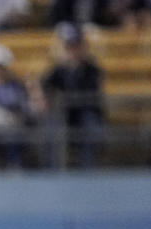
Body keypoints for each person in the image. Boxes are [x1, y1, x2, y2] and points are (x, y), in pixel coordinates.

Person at [37, 23, 105, 168]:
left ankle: (87, 169)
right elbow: (45, 84)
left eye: (76, 46)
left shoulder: (91, 69)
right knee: (50, 130)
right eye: (70, 47)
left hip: (86, 112)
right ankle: (52, 169)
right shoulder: (60, 69)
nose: (73, 50)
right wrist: (45, 98)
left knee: (92, 129)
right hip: (64, 114)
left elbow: (89, 92)